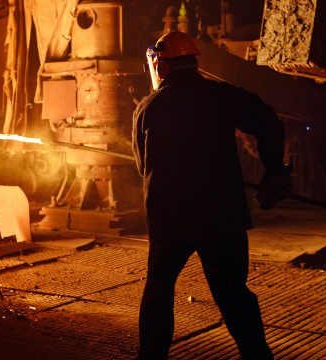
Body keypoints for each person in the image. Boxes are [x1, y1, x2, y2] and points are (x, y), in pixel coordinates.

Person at [132, 31, 290, 360]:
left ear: (160, 66)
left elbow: (142, 166)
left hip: (170, 218)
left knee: (159, 291)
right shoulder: (221, 96)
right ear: (194, 61)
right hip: (221, 215)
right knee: (233, 293)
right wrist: (274, 170)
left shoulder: (149, 109)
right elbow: (268, 121)